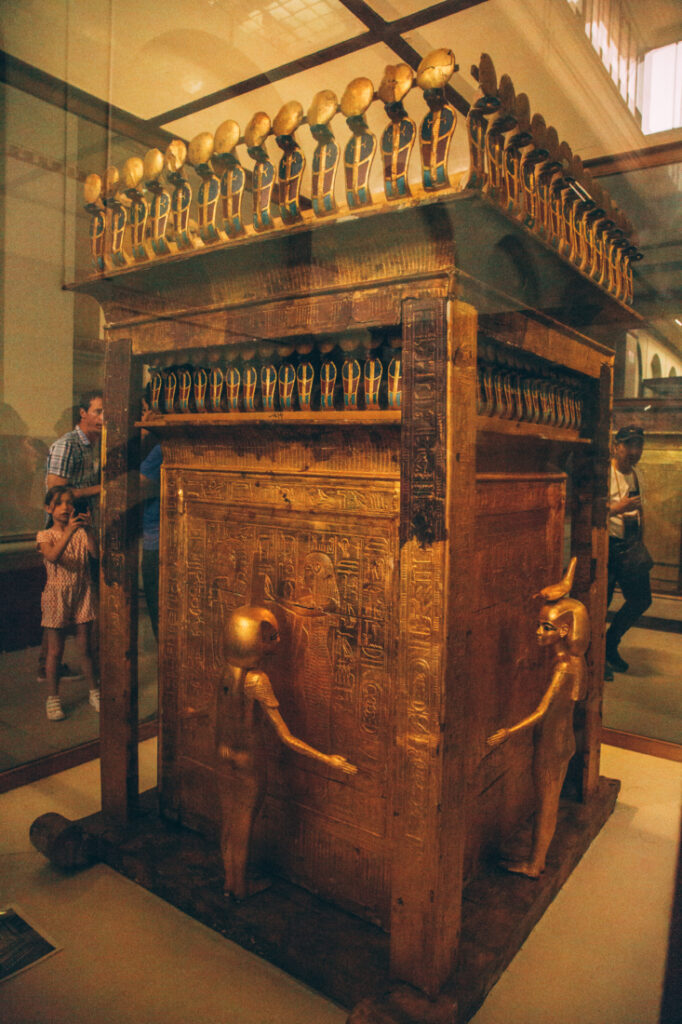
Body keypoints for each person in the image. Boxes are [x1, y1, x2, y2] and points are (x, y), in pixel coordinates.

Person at [216, 605, 356, 900]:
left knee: (229, 821)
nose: (277, 643)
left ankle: (229, 882)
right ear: (253, 641)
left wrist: (190, 714)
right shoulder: (257, 681)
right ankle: (240, 888)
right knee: (243, 825)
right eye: (271, 638)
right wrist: (327, 760)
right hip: (248, 761)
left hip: (224, 753)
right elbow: (286, 736)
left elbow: (211, 710)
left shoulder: (228, 672)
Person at [487, 567, 589, 878]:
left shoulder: (563, 670)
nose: (538, 633)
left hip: (552, 746)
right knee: (548, 802)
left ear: (562, 631)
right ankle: (536, 859)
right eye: (538, 625)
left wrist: (508, 732)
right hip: (560, 741)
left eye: (545, 627)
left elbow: (542, 712)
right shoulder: (574, 662)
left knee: (546, 805)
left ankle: (535, 863)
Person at [39, 390, 103, 682]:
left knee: (78, 594)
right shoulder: (67, 444)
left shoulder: (95, 444)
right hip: (62, 529)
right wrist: (99, 489)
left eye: (107, 412)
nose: (104, 418)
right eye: (99, 411)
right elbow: (55, 491)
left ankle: (53, 665)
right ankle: (47, 666)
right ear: (83, 413)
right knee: (58, 601)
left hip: (81, 525)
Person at [37, 486, 100, 721]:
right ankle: (53, 698)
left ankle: (95, 692)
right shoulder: (44, 536)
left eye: (69, 502)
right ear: (49, 508)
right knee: (55, 651)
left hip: (82, 592)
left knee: (86, 648)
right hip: (57, 596)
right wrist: (70, 532)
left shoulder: (81, 533)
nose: (65, 507)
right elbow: (52, 556)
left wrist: (88, 529)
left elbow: (95, 554)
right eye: (59, 502)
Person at [605, 424, 652, 678]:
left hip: (631, 545)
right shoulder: (604, 472)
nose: (634, 451)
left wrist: (642, 541)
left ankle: (610, 643)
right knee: (601, 604)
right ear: (616, 446)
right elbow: (584, 511)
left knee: (641, 599)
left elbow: (642, 509)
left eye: (639, 446)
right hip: (607, 546)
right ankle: (595, 657)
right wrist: (616, 508)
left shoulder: (636, 475)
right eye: (629, 445)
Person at [140, 395, 162, 640]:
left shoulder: (159, 448)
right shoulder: (155, 446)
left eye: (147, 410)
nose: (143, 417)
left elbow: (137, 486)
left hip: (156, 538)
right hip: (154, 531)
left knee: (158, 606)